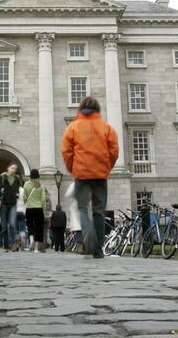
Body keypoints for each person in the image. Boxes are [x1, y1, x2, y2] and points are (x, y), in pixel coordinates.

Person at [61, 96, 119, 259]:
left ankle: (88, 234)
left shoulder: (73, 127)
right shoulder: (106, 128)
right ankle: (98, 249)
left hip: (81, 173)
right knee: (99, 211)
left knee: (82, 208)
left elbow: (66, 151)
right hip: (100, 174)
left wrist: (73, 168)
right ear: (97, 109)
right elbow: (114, 151)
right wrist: (107, 167)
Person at [0, 163, 23, 252]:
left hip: (13, 204)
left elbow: (20, 189)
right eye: (12, 168)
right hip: (3, 204)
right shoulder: (2, 177)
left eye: (15, 169)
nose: (14, 170)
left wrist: (18, 195)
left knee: (12, 224)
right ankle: (6, 246)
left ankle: (13, 244)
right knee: (3, 226)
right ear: (8, 168)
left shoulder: (17, 178)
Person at [23, 169, 48, 253]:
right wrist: (43, 209)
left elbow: (24, 197)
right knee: (39, 228)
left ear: (30, 175)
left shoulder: (26, 184)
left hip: (29, 208)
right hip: (39, 208)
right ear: (38, 176)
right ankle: (36, 248)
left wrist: (26, 202)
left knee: (30, 225)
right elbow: (43, 199)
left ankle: (31, 239)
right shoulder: (41, 186)